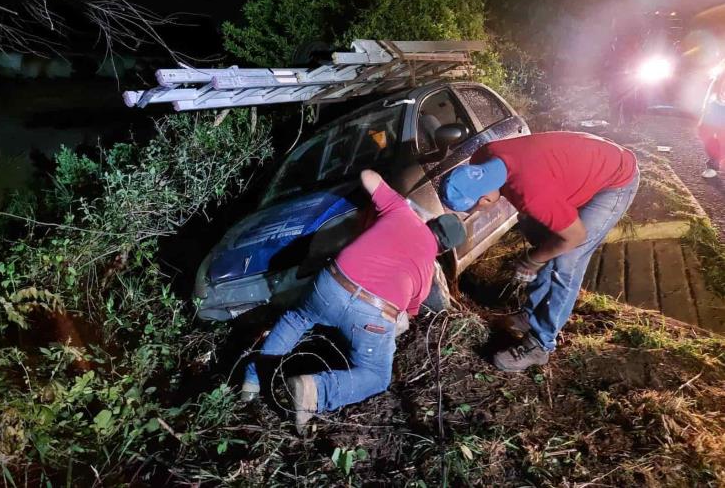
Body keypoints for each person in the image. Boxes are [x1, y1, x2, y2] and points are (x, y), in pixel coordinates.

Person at [241, 169, 466, 432]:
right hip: (372, 313)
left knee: (296, 318)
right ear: (444, 249)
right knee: (375, 376)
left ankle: (252, 382)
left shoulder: (400, 211)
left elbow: (368, 176)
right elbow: (409, 313)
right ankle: (315, 391)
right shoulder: (428, 271)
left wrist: (407, 208)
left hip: (331, 284)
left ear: (432, 221)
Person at [440, 132, 639, 372]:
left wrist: (534, 260)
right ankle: (530, 315)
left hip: (615, 179)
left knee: (567, 260)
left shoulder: (532, 193)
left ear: (483, 199)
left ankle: (540, 345)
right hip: (587, 162)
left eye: (473, 207)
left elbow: (574, 237)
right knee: (547, 240)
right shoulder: (484, 157)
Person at [699, 73, 725, 179]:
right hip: (715, 106)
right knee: (704, 132)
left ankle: (715, 163)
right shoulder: (719, 77)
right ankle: (715, 160)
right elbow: (711, 91)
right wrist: (705, 108)